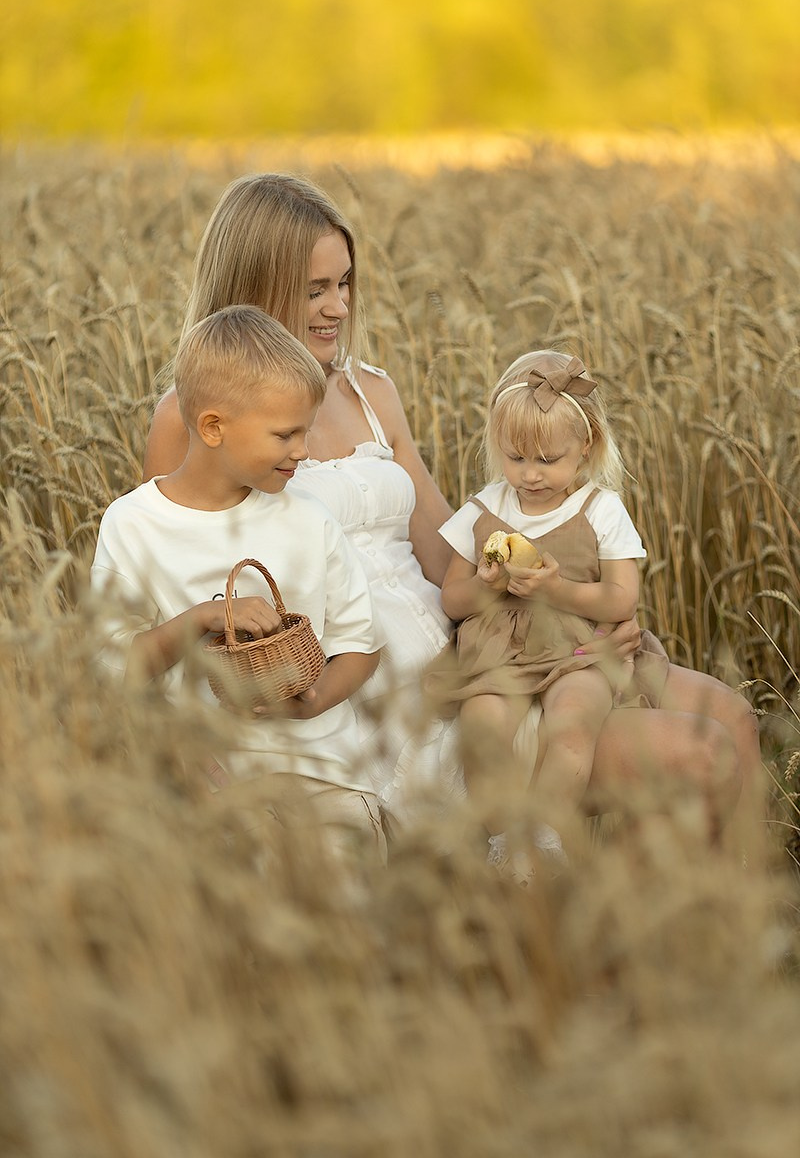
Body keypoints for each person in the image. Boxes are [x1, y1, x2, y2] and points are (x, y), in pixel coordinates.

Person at [142, 171, 753, 845]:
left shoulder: (372, 391)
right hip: (367, 704)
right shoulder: (194, 416)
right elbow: (172, 603)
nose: (338, 307)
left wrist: (569, 606)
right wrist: (201, 761)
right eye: (314, 289)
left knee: (733, 716)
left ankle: (709, 944)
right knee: (701, 755)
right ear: (254, 288)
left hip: (460, 657)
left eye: (344, 283)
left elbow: (445, 553)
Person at [429, 350, 761, 874]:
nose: (530, 475)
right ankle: (497, 842)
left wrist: (556, 588)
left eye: (546, 460)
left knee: (572, 723)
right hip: (497, 653)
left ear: (584, 449)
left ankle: (540, 834)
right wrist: (487, 585)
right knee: (484, 723)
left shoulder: (600, 509)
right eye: (516, 458)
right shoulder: (482, 508)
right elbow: (453, 598)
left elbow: (620, 599)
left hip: (577, 651)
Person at [92, 306, 386, 862]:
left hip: (323, 769)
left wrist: (314, 699)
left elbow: (360, 645)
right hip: (206, 777)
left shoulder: (309, 518)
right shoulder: (133, 525)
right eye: (285, 434)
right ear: (212, 427)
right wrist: (204, 616)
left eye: (307, 430)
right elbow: (114, 669)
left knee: (348, 890)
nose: (303, 450)